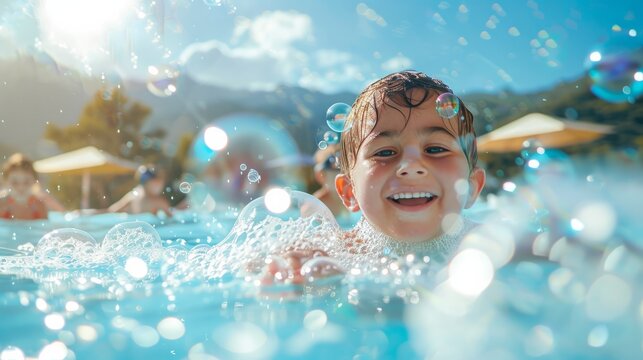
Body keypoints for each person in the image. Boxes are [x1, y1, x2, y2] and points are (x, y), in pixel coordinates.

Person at [334, 70, 485, 258]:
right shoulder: (334, 255)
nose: (411, 166)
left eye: (436, 149)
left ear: (471, 188)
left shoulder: (495, 246)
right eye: (385, 153)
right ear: (350, 192)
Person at [0, 153, 58, 220]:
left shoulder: (39, 205)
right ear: (5, 182)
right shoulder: (2, 204)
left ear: (34, 182)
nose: (21, 188)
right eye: (14, 183)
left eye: (26, 182)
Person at [312, 144, 352, 220]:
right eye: (337, 168)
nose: (344, 174)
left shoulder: (359, 201)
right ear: (320, 175)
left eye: (347, 168)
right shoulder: (315, 205)